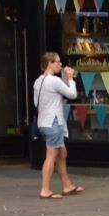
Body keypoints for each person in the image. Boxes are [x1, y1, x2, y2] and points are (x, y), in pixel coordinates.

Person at [33, 51, 82, 200]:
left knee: (62, 153)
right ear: (49, 64)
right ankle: (45, 190)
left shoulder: (38, 81)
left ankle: (67, 185)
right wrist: (70, 78)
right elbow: (72, 95)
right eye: (58, 62)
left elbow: (36, 103)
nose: (61, 65)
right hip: (53, 122)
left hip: (43, 122)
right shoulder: (53, 81)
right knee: (51, 156)